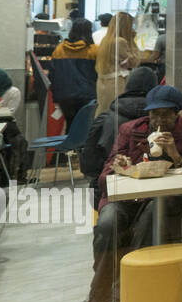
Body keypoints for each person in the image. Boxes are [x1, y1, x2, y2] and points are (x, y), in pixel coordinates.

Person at [78, 85, 182, 302]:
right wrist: (121, 167)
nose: (159, 120)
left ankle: (122, 295)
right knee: (107, 224)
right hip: (128, 197)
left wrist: (175, 154)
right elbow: (106, 173)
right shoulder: (130, 130)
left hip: (163, 199)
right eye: (154, 114)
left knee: (150, 219)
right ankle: (98, 293)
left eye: (165, 114)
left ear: (177, 112)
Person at [80, 66, 159, 196]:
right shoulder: (163, 119)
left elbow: (89, 165)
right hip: (153, 189)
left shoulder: (105, 119)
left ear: (128, 86)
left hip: (113, 188)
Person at [50, 18, 99, 129]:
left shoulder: (59, 49)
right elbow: (99, 73)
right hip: (88, 95)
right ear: (89, 31)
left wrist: (56, 97)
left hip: (64, 96)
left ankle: (69, 146)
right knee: (85, 128)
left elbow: (53, 75)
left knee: (70, 126)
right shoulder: (94, 50)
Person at [95, 11, 139, 112]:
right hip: (116, 83)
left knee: (103, 110)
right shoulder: (120, 41)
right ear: (126, 26)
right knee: (116, 113)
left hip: (103, 82)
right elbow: (134, 61)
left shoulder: (105, 40)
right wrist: (132, 40)